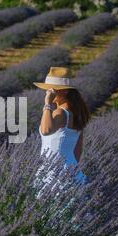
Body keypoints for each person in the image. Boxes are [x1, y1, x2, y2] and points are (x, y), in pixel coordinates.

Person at [32, 67, 91, 197]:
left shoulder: (60, 113)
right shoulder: (77, 115)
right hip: (70, 169)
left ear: (62, 91)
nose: (47, 92)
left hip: (53, 170)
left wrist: (47, 104)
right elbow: (77, 152)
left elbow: (46, 130)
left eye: (50, 89)